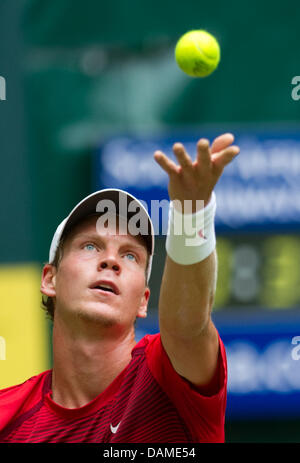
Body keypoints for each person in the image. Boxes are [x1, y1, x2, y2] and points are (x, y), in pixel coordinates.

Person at [0, 133, 239, 443]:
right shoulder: (9, 418)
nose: (111, 260)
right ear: (50, 279)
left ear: (143, 300)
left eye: (130, 255)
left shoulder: (166, 377)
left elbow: (186, 325)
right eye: (90, 246)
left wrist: (193, 211)